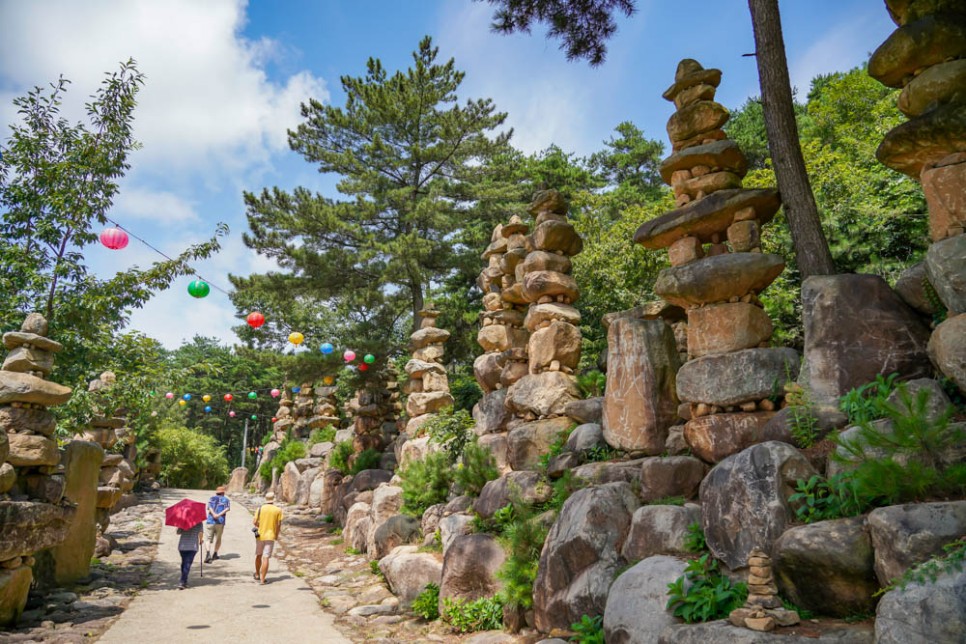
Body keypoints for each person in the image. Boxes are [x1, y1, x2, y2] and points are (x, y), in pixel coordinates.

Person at [253, 492, 283, 585]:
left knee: (258, 555)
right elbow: (278, 525)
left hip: (260, 535)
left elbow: (254, 522)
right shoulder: (278, 510)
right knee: (266, 557)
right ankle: (262, 580)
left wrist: (260, 525)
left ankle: (257, 574)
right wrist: (276, 535)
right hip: (270, 536)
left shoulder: (260, 509)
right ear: (273, 499)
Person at [204, 485, 230, 563]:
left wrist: (214, 514)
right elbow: (227, 509)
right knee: (218, 538)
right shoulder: (226, 500)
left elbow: (209, 507)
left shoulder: (212, 498)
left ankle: (208, 554)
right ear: (223, 492)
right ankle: (215, 554)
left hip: (210, 520)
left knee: (208, 539)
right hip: (220, 521)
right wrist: (218, 515)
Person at [176, 520, 203, 589]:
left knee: (184, 563)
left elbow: (178, 532)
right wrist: (201, 540)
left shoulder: (183, 521)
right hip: (192, 546)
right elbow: (200, 532)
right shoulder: (199, 522)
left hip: (182, 545)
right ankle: (182, 581)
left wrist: (179, 526)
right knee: (187, 564)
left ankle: (184, 580)